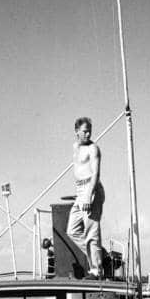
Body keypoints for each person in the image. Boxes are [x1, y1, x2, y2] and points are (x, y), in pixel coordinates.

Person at [66, 117, 105, 278]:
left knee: (91, 232)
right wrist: (80, 194)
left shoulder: (93, 149)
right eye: (84, 131)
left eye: (90, 130)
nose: (88, 133)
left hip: (92, 189)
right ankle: (101, 255)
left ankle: (96, 269)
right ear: (76, 131)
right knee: (72, 230)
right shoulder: (75, 147)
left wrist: (89, 196)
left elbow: (95, 173)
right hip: (80, 190)